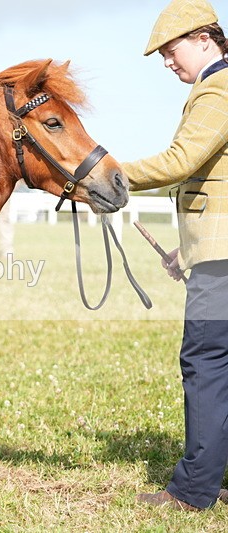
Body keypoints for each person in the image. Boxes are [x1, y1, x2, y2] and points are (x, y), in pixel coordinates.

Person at [122, 0, 228, 511]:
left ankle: (193, 490)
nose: (167, 62)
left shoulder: (218, 86)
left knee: (205, 361)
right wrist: (188, 252)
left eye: (171, 50)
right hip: (213, 253)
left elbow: (182, 161)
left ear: (205, 39)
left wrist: (105, 174)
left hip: (221, 262)